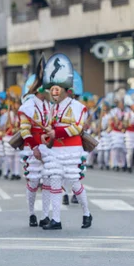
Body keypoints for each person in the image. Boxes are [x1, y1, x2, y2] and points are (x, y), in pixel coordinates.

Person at [39, 53, 92, 230]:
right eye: (52, 89)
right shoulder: (52, 108)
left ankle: (87, 213)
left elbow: (76, 128)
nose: (53, 93)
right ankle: (56, 220)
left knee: (74, 183)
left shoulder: (78, 107)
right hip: (55, 149)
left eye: (57, 89)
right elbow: (49, 127)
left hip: (72, 149)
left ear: (65, 89)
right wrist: (45, 136)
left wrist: (55, 132)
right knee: (54, 180)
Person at [18, 56, 54, 228]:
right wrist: (34, 148)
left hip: (48, 147)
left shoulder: (51, 105)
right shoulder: (29, 105)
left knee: (47, 181)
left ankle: (45, 215)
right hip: (33, 147)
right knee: (33, 182)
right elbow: (24, 130)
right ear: (41, 89)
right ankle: (31, 213)